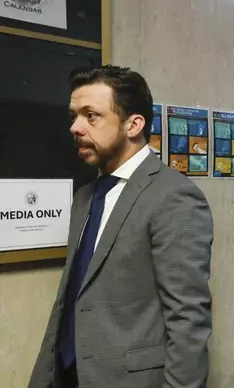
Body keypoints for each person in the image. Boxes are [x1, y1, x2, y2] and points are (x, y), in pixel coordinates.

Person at [28, 66, 213, 388]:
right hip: (70, 375)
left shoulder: (173, 196)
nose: (76, 127)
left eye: (91, 116)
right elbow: (74, 298)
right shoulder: (86, 196)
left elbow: (188, 320)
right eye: (74, 116)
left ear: (133, 124)